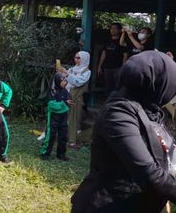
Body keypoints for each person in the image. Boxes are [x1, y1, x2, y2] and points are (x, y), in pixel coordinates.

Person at [71, 51, 176, 212]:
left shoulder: (152, 113)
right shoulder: (118, 113)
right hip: (108, 205)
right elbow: (148, 172)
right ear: (159, 82)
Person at [40, 72, 72, 161]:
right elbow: (52, 106)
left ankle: (61, 154)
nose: (65, 82)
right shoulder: (52, 91)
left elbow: (68, 103)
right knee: (50, 136)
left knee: (63, 136)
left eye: (66, 80)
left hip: (63, 118)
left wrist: (64, 104)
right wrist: (64, 104)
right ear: (58, 80)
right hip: (53, 118)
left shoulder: (65, 91)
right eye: (63, 80)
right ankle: (45, 153)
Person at [66, 51, 91, 146]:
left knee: (73, 119)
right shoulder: (72, 69)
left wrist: (67, 75)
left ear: (84, 59)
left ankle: (72, 140)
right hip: (67, 95)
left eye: (78, 58)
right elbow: (65, 81)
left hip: (76, 97)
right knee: (63, 117)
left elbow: (78, 82)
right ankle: (62, 137)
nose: (76, 59)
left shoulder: (87, 72)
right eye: (75, 57)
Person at [97, 23, 128, 94]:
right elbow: (103, 53)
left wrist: (123, 67)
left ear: (120, 30)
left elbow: (125, 55)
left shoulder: (122, 41)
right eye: (111, 28)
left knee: (118, 85)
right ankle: (109, 101)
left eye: (115, 28)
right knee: (108, 86)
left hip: (118, 67)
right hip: (107, 67)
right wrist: (99, 66)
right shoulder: (107, 40)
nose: (112, 30)